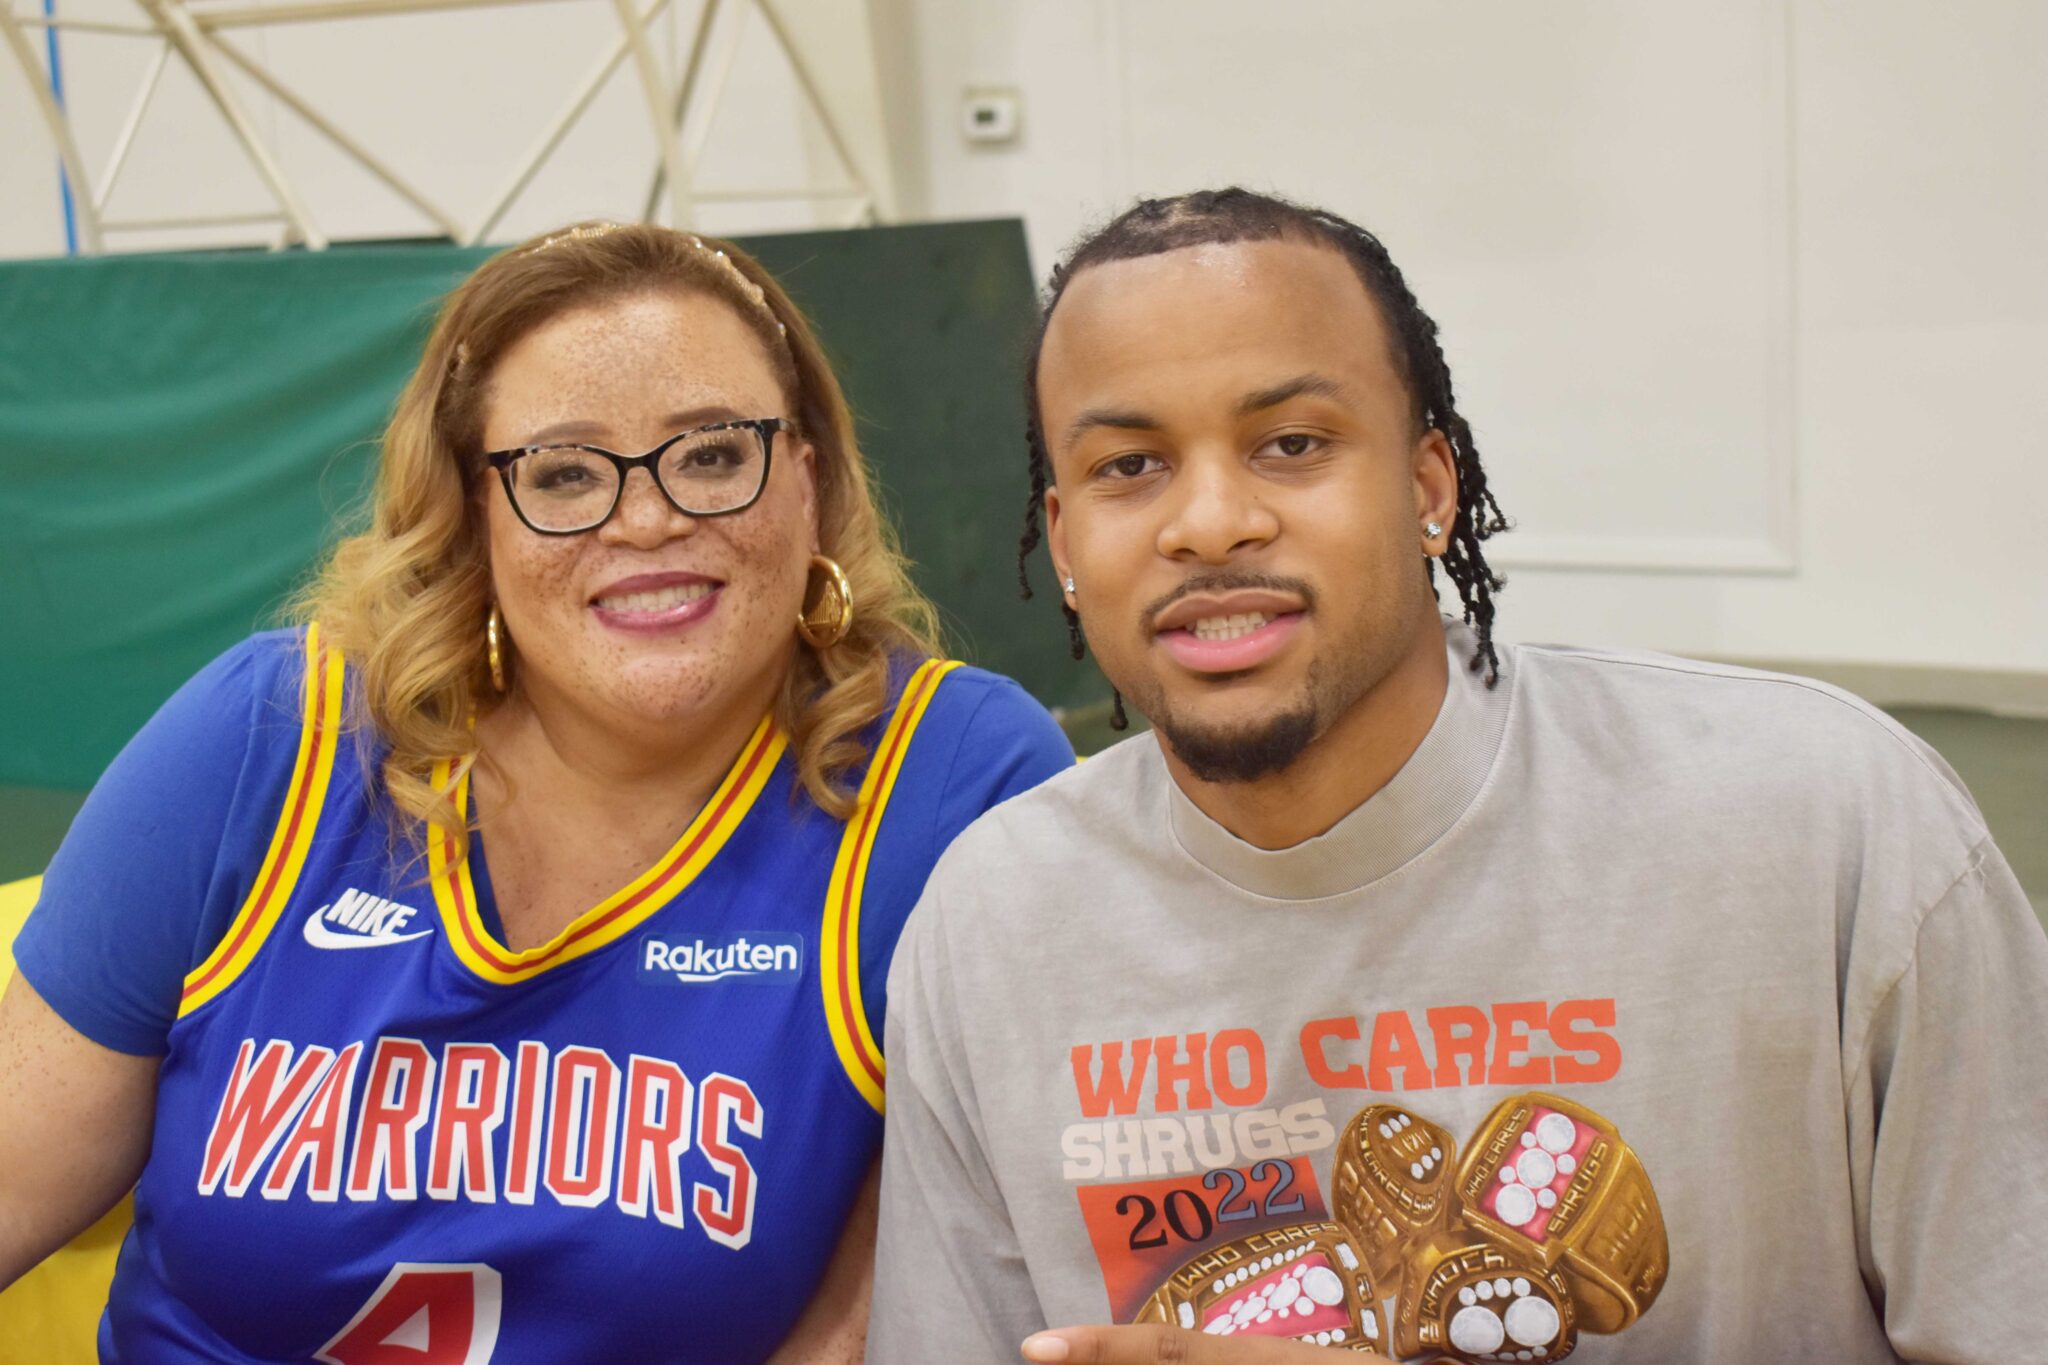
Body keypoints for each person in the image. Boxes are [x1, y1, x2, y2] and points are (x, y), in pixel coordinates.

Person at [866, 188, 2048, 1365]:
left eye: (1291, 444)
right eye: (1131, 465)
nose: (1209, 523)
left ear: (1428, 489)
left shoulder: (1824, 823)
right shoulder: (992, 927)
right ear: (1065, 543)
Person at [0, 221, 1072, 1361]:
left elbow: (897, 1316)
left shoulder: (946, 776)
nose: (649, 518)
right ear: (473, 516)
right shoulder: (269, 740)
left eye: (713, 453)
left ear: (806, 477)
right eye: (562, 473)